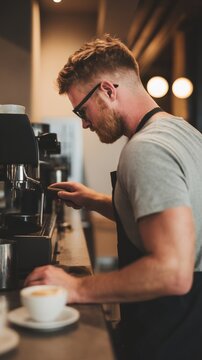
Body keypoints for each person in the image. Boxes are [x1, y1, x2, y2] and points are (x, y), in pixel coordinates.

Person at [25, 34, 202, 360]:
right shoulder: (183, 132)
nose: (84, 124)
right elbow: (171, 218)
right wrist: (94, 200)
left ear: (107, 90)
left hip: (171, 335)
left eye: (82, 110)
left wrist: (75, 287)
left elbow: (172, 271)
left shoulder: (146, 150)